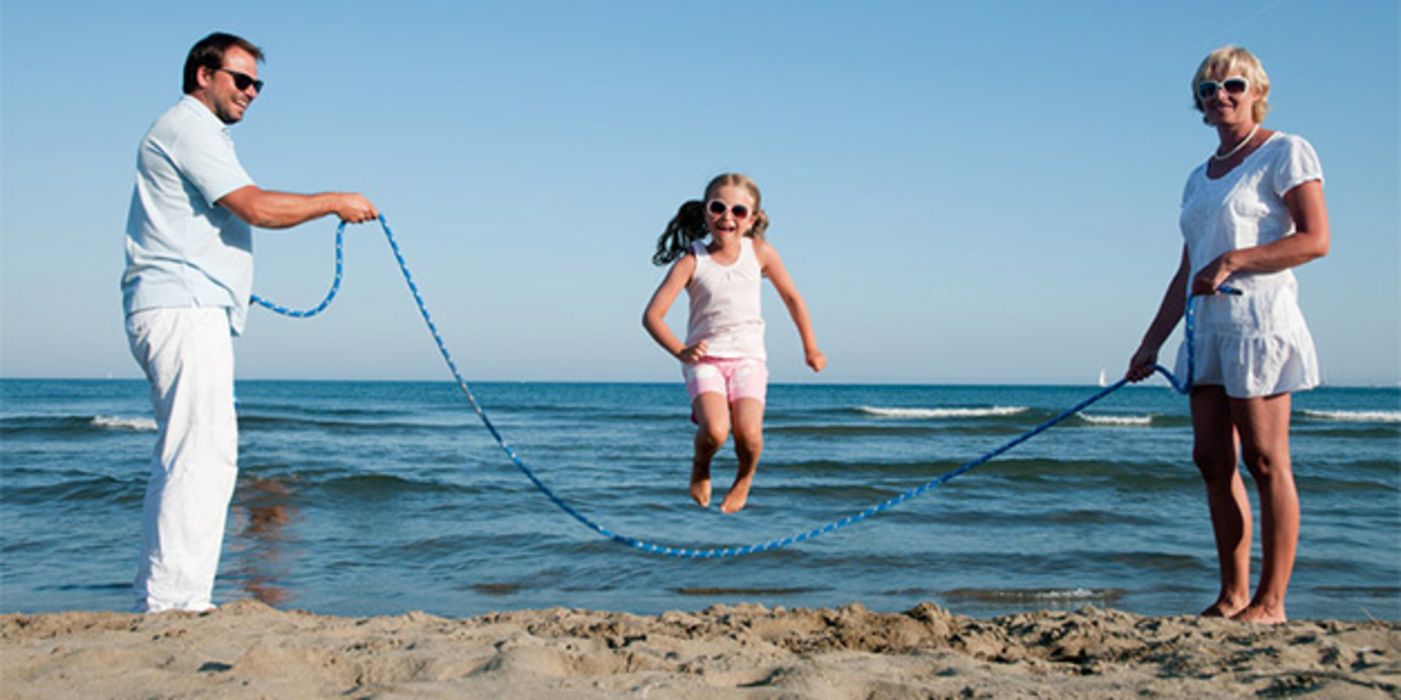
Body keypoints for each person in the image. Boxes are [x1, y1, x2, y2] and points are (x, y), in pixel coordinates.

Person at [122, 32, 378, 613]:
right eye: (241, 79)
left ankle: (166, 597)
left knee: (187, 454)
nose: (251, 92)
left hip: (183, 305)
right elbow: (256, 207)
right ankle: (175, 605)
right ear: (202, 75)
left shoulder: (196, 133)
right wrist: (335, 200)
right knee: (202, 456)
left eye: (258, 84)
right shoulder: (188, 127)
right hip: (184, 309)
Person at [1126, 46, 1329, 624]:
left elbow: (1315, 240)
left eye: (1233, 85)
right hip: (1205, 331)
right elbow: (1188, 267)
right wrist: (1151, 342)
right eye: (1208, 90)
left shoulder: (1286, 151)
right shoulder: (1198, 178)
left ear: (1256, 90)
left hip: (1259, 324)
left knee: (1266, 461)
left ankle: (1272, 602)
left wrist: (1237, 260)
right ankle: (1233, 594)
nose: (1221, 96)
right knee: (1211, 460)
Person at [643, 173, 825, 514]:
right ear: (705, 212)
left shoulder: (760, 253)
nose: (728, 217)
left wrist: (810, 347)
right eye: (718, 207)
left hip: (748, 359)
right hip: (705, 360)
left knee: (750, 436)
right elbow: (652, 316)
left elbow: (792, 299)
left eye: (739, 211)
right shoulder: (692, 260)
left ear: (751, 219)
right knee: (715, 431)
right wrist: (680, 350)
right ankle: (701, 466)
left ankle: (744, 477)